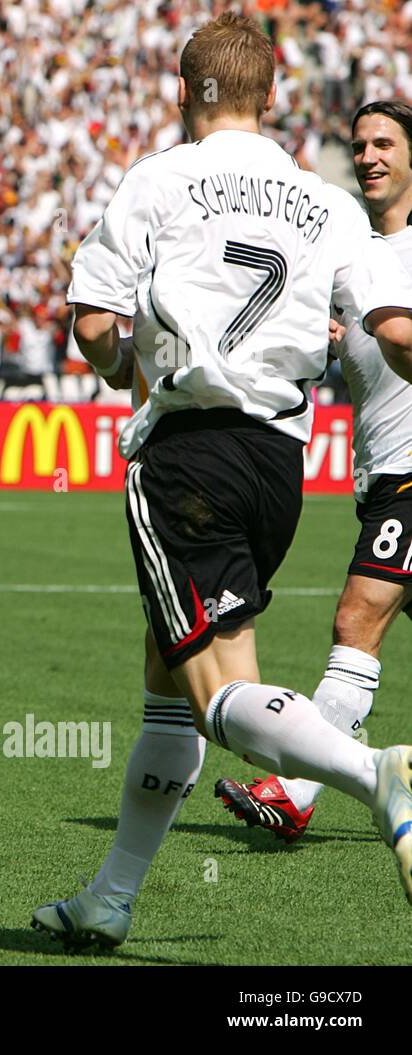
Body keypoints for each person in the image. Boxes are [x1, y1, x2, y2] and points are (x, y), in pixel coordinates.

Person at [31, 13, 412, 950]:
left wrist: (127, 364)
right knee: (167, 675)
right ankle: (111, 896)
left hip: (189, 454)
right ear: (274, 95)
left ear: (183, 89)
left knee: (216, 689)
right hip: (282, 467)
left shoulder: (160, 176)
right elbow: (396, 333)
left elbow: (90, 323)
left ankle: (376, 774)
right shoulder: (323, 201)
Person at [215, 100, 412, 841]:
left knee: (356, 618)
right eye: (359, 144)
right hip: (381, 477)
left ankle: (295, 791)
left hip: (411, 475)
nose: (368, 156)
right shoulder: (348, 254)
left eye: (385, 143)